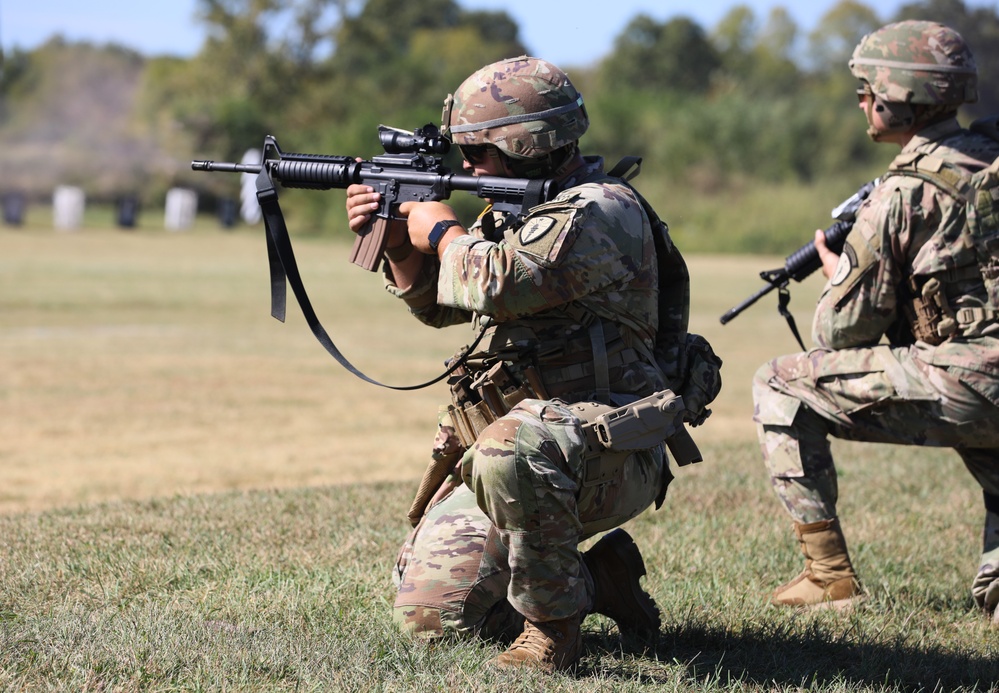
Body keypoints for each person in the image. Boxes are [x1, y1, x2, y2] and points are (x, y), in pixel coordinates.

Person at [345, 56, 719, 670]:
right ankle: (600, 581)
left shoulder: (601, 211)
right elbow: (448, 307)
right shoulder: (523, 211)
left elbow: (499, 284)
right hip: (532, 447)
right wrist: (398, 248)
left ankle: (553, 633)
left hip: (612, 446)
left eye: (478, 154)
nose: (465, 169)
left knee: (508, 449)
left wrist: (439, 230)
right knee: (434, 616)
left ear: (527, 145)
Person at [753, 20, 999, 620]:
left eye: (867, 89)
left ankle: (827, 576)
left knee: (779, 384)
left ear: (899, 99)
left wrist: (841, 270)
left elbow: (840, 333)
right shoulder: (989, 160)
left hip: (977, 381)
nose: (861, 100)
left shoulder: (902, 193)